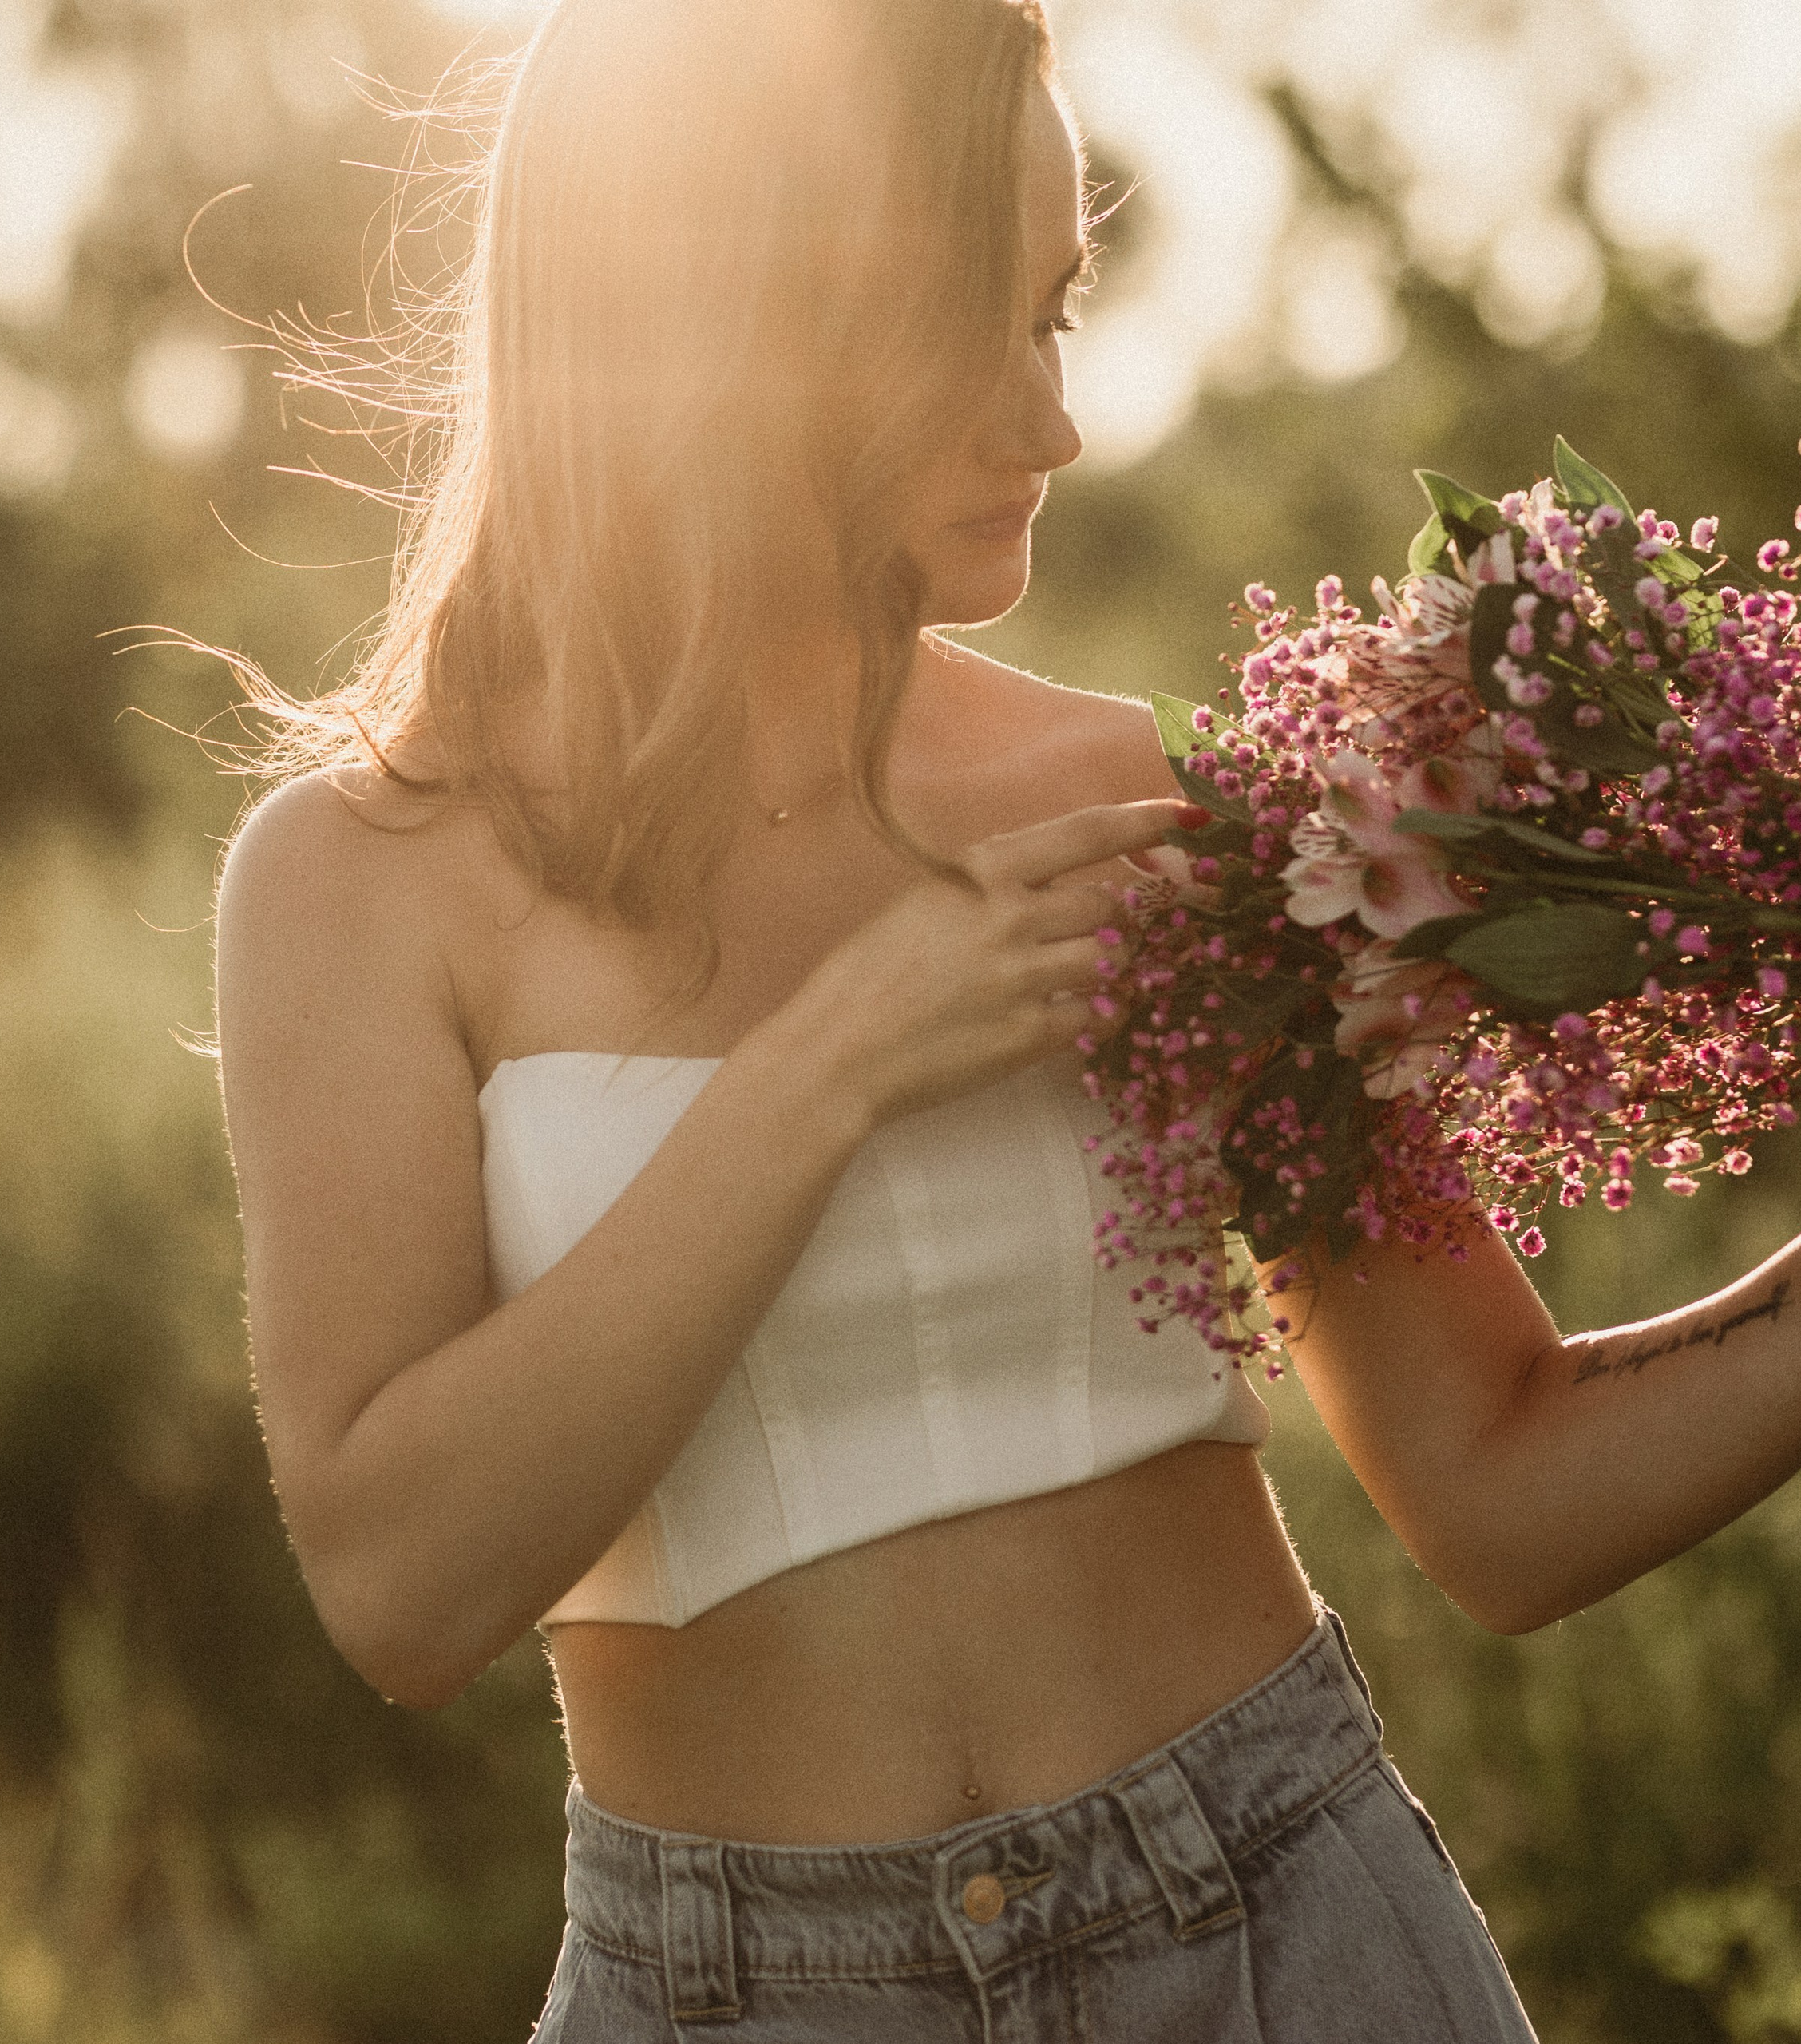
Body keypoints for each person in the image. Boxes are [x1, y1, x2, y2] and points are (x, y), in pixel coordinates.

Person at [211, 1, 1801, 2036]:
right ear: (738, 307)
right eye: (980, 325)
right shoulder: (354, 885)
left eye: (1058, 314)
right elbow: (402, 1587)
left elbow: (1494, 1484)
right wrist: (837, 1060)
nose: (1052, 421)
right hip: (733, 1994)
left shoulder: (1151, 820)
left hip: (1283, 1928)